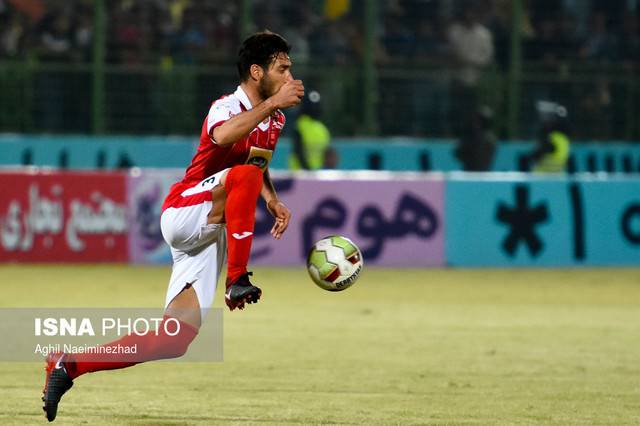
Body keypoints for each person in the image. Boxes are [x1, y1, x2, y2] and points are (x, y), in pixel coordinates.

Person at [41, 31, 305, 422]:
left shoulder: (275, 118)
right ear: (256, 71)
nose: (290, 77)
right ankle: (237, 279)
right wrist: (271, 104)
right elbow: (225, 137)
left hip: (209, 229)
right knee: (243, 177)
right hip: (182, 211)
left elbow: (256, 162)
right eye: (282, 69)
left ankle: (68, 365)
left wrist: (272, 199)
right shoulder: (226, 106)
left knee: (174, 339)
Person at [289, 90, 332, 170]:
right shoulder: (299, 126)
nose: (314, 108)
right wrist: (309, 172)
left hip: (316, 175)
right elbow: (298, 152)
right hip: (300, 174)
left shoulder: (322, 129)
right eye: (312, 106)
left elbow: (327, 156)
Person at [529, 100, 570, 173]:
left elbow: (539, 153)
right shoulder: (563, 138)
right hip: (559, 174)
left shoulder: (550, 137)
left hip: (543, 174)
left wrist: (532, 156)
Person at [454, 105, 496, 171]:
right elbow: (457, 152)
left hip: (477, 174)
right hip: (471, 174)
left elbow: (458, 152)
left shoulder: (487, 140)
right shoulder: (490, 139)